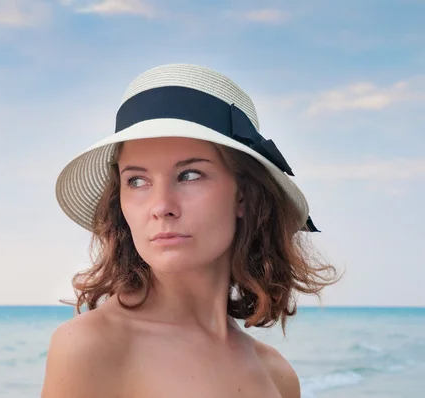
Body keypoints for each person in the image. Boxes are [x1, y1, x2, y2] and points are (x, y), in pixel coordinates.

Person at [41, 64, 340, 397]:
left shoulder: (278, 376)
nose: (161, 206)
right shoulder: (92, 347)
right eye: (137, 181)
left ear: (243, 195)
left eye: (189, 175)